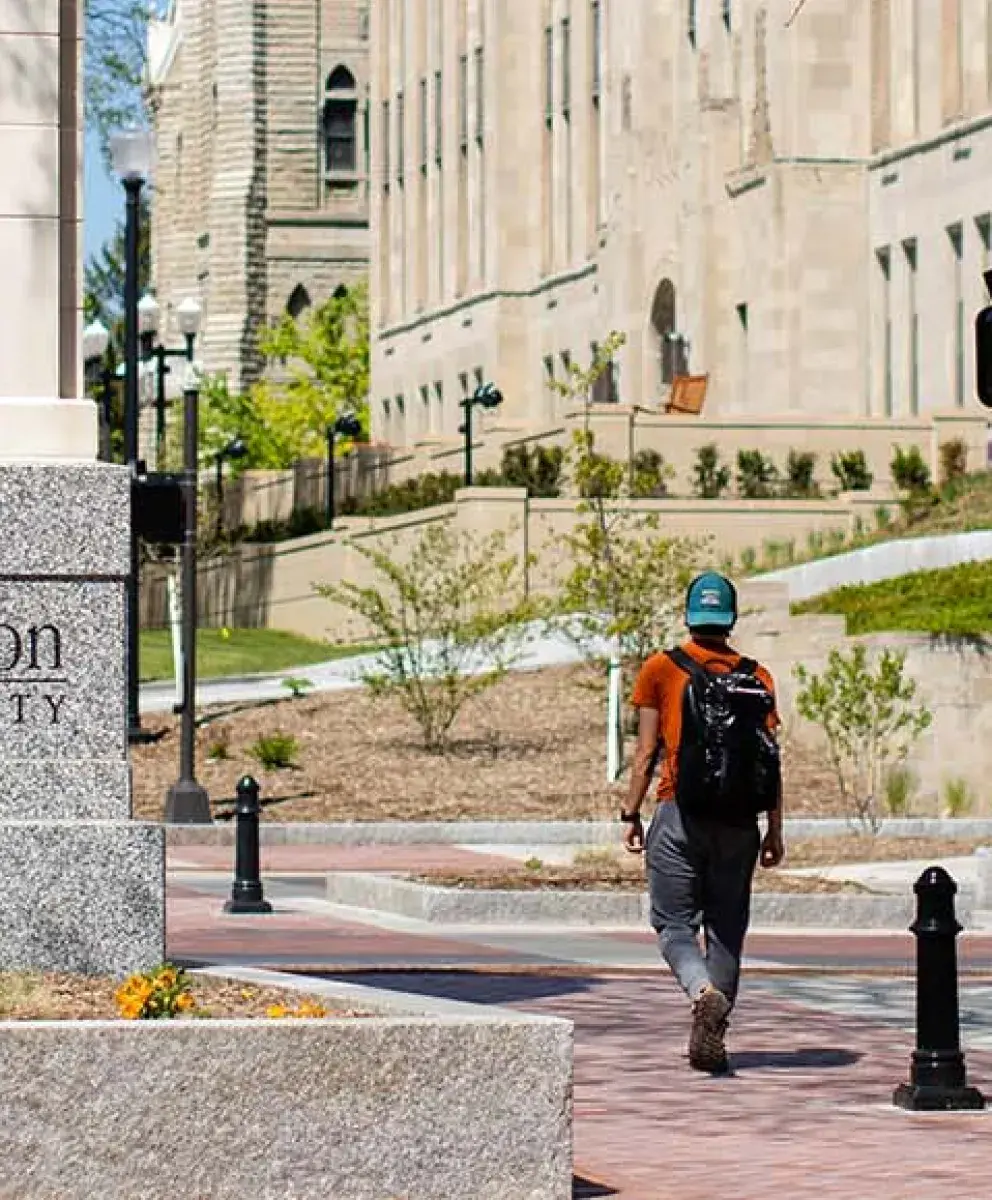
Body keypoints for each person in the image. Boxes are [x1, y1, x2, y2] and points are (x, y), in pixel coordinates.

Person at [620, 570, 785, 1074]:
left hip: (680, 814)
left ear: (689, 616)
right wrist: (775, 829)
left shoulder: (661, 668)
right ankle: (713, 1031)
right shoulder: (758, 677)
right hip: (740, 821)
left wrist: (630, 812)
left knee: (672, 923)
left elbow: (648, 752)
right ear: (730, 618)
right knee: (727, 931)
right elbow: (770, 758)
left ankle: (701, 990)